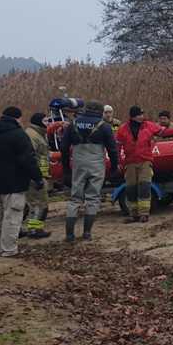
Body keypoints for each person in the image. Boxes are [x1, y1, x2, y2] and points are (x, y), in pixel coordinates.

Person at [0, 106, 44, 257]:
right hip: (14, 185)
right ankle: (8, 250)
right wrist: (38, 178)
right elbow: (28, 160)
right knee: (12, 217)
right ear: (18, 118)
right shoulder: (19, 135)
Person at [62, 101, 119, 242]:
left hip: (78, 162)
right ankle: (87, 233)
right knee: (93, 198)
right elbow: (112, 149)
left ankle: (69, 235)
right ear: (100, 111)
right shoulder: (104, 126)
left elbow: (63, 148)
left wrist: (66, 168)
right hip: (96, 163)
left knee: (75, 198)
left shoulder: (73, 124)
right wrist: (113, 167)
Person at [115, 106, 160, 223]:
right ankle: (133, 214)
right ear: (134, 116)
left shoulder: (148, 125)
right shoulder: (123, 129)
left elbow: (162, 131)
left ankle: (144, 213)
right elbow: (118, 146)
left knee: (144, 185)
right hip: (130, 162)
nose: (142, 116)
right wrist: (119, 162)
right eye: (140, 114)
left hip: (145, 160)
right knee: (131, 188)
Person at [20, 112, 52, 239]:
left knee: (30, 203)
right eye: (46, 121)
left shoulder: (38, 134)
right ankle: (35, 229)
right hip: (34, 176)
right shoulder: (32, 135)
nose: (48, 124)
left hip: (39, 174)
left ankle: (19, 228)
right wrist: (37, 177)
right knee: (39, 204)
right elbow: (30, 157)